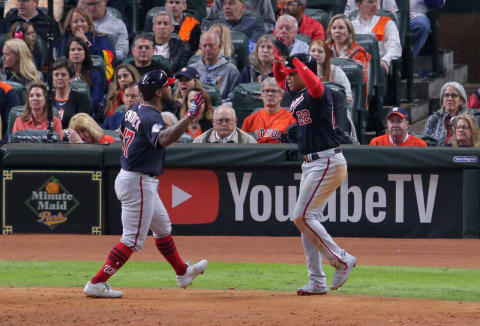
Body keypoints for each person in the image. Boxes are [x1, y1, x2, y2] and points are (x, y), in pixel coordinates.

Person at [83, 70, 208, 298]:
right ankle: (96, 282)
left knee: (163, 229)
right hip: (138, 181)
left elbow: (123, 132)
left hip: (132, 176)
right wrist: (189, 117)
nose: (172, 88)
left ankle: (182, 272)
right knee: (131, 241)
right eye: (168, 85)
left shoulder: (134, 109)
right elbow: (163, 140)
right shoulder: (151, 116)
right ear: (159, 92)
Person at [273, 48, 356, 295]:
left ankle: (341, 259)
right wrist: (281, 65)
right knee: (307, 222)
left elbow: (315, 83)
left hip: (327, 160)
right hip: (311, 163)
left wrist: (298, 65)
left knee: (301, 216)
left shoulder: (319, 92)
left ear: (303, 72)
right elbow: (282, 80)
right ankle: (317, 281)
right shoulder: (297, 94)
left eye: (292, 74)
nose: (287, 78)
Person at [57, 7, 114, 81]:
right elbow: (61, 61)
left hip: (94, 76)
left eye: (83, 21)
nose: (79, 24)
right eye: (75, 22)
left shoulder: (101, 38)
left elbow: (105, 59)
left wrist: (86, 43)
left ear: (89, 24)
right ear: (69, 26)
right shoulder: (64, 40)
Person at [350, 0, 401, 76]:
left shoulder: (387, 23)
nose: (375, 5)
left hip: (378, 65)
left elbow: (395, 47)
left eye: (376, 1)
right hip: (355, 66)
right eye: (370, 2)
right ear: (359, 4)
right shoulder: (350, 26)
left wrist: (385, 60)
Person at [325, 14, 370, 100]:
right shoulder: (323, 50)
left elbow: (364, 80)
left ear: (349, 31)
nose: (337, 31)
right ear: (330, 32)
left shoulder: (359, 52)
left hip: (353, 94)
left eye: (341, 28)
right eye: (334, 28)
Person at [189, 31, 240, 104]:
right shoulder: (192, 69)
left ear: (219, 46)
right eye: (204, 46)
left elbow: (234, 97)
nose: (207, 49)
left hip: (221, 110)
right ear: (200, 47)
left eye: (211, 45)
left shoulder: (231, 70)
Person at [241, 78, 295, 143]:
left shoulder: (292, 118)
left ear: (281, 95)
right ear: (261, 95)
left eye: (274, 91)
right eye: (266, 91)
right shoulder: (249, 120)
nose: (270, 94)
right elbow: (242, 145)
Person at [65, 37, 104, 120]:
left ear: (85, 52)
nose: (76, 52)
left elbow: (96, 101)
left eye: (79, 49)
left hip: (86, 117)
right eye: (72, 50)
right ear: (68, 53)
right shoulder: (61, 74)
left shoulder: (95, 75)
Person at [309, 39, 353, 105]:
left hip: (335, 110)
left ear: (326, 55)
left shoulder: (337, 71)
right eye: (313, 51)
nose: (316, 54)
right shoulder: (302, 72)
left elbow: (348, 99)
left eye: (320, 51)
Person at [424, 82, 468, 146]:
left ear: (461, 100)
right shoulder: (433, 118)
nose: (450, 98)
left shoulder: (468, 119)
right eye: (446, 95)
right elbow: (425, 141)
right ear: (442, 100)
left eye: (454, 95)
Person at [52, 57, 90, 129]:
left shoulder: (81, 99)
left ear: (71, 78)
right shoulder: (46, 98)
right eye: (56, 75)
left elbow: (81, 125)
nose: (59, 77)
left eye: (63, 75)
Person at [209, 0, 276, 33]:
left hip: (252, 40)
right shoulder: (219, 1)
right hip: (223, 40)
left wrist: (253, 29)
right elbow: (207, 22)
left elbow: (271, 24)